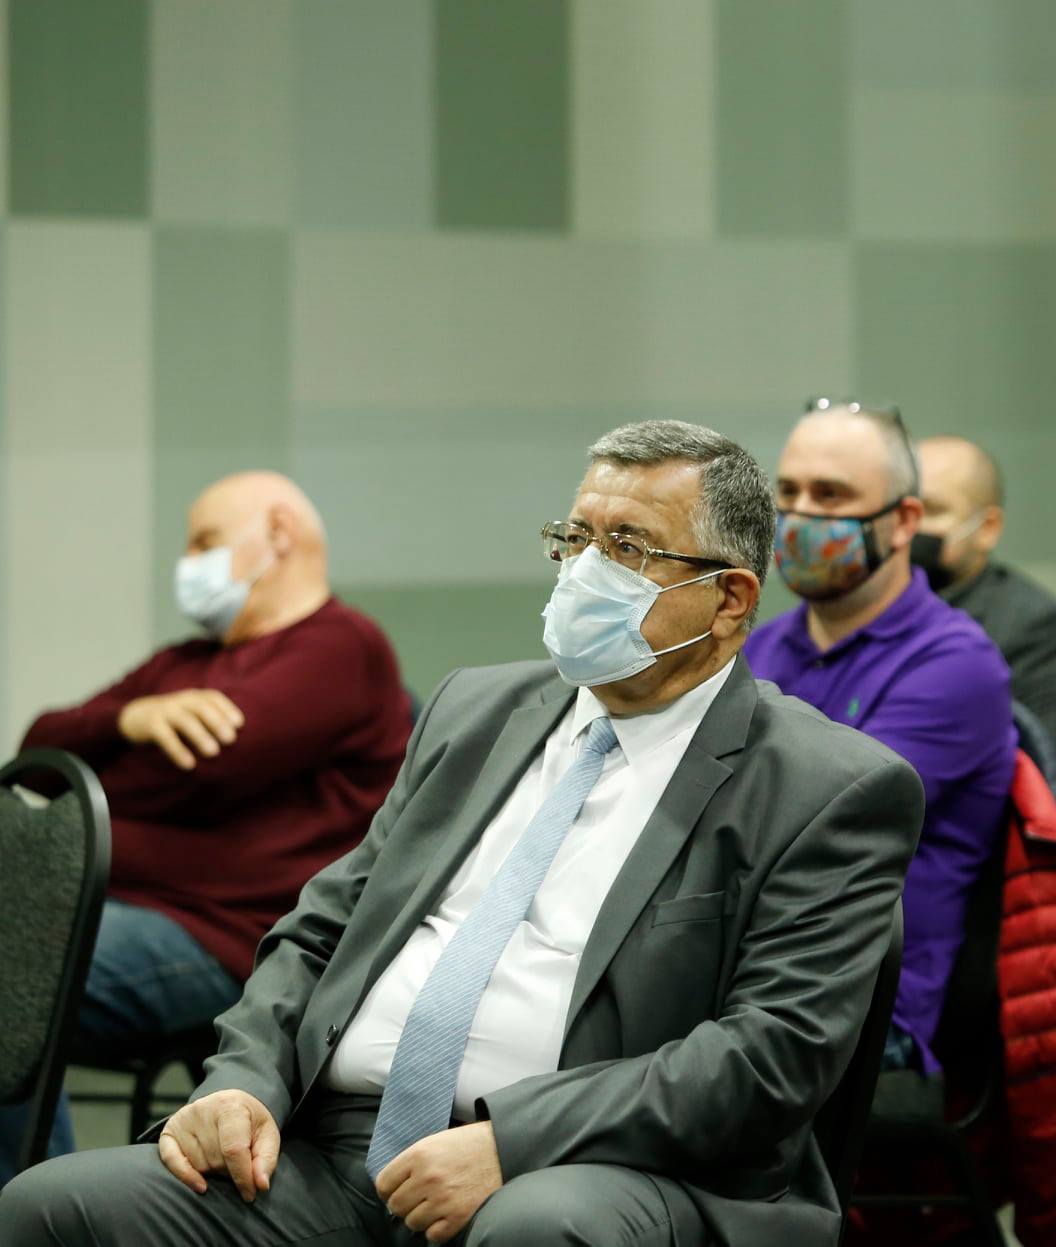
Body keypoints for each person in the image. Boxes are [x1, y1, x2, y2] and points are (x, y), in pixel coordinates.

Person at [0, 421, 924, 1247]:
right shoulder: (472, 710)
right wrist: (240, 1080)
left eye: (628, 548)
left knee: (538, 1227)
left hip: (602, 1165)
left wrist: (510, 1141)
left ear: (728, 600)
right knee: (51, 1206)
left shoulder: (828, 785)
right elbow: (321, 929)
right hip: (344, 1144)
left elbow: (769, 1057)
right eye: (576, 538)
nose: (583, 571)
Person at [0, 471, 412, 1183]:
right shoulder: (185, 662)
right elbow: (40, 757)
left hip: (232, 939)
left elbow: (210, 769)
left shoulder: (343, 645)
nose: (188, 563)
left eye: (205, 541)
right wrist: (130, 720)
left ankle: (38, 1213)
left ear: (277, 534)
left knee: (10, 974)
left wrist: (103, 776)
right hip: (112, 913)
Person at [744, 400, 1016, 1076]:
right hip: (748, 972)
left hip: (863, 1008)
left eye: (831, 495)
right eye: (788, 492)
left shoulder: (955, 663)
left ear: (905, 521)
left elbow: (817, 832)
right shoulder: (759, 648)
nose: (800, 515)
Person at [912, 433, 1056, 822]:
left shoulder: (1035, 627)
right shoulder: (861, 614)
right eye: (904, 508)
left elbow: (1046, 792)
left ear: (987, 528)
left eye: (932, 510)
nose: (911, 528)